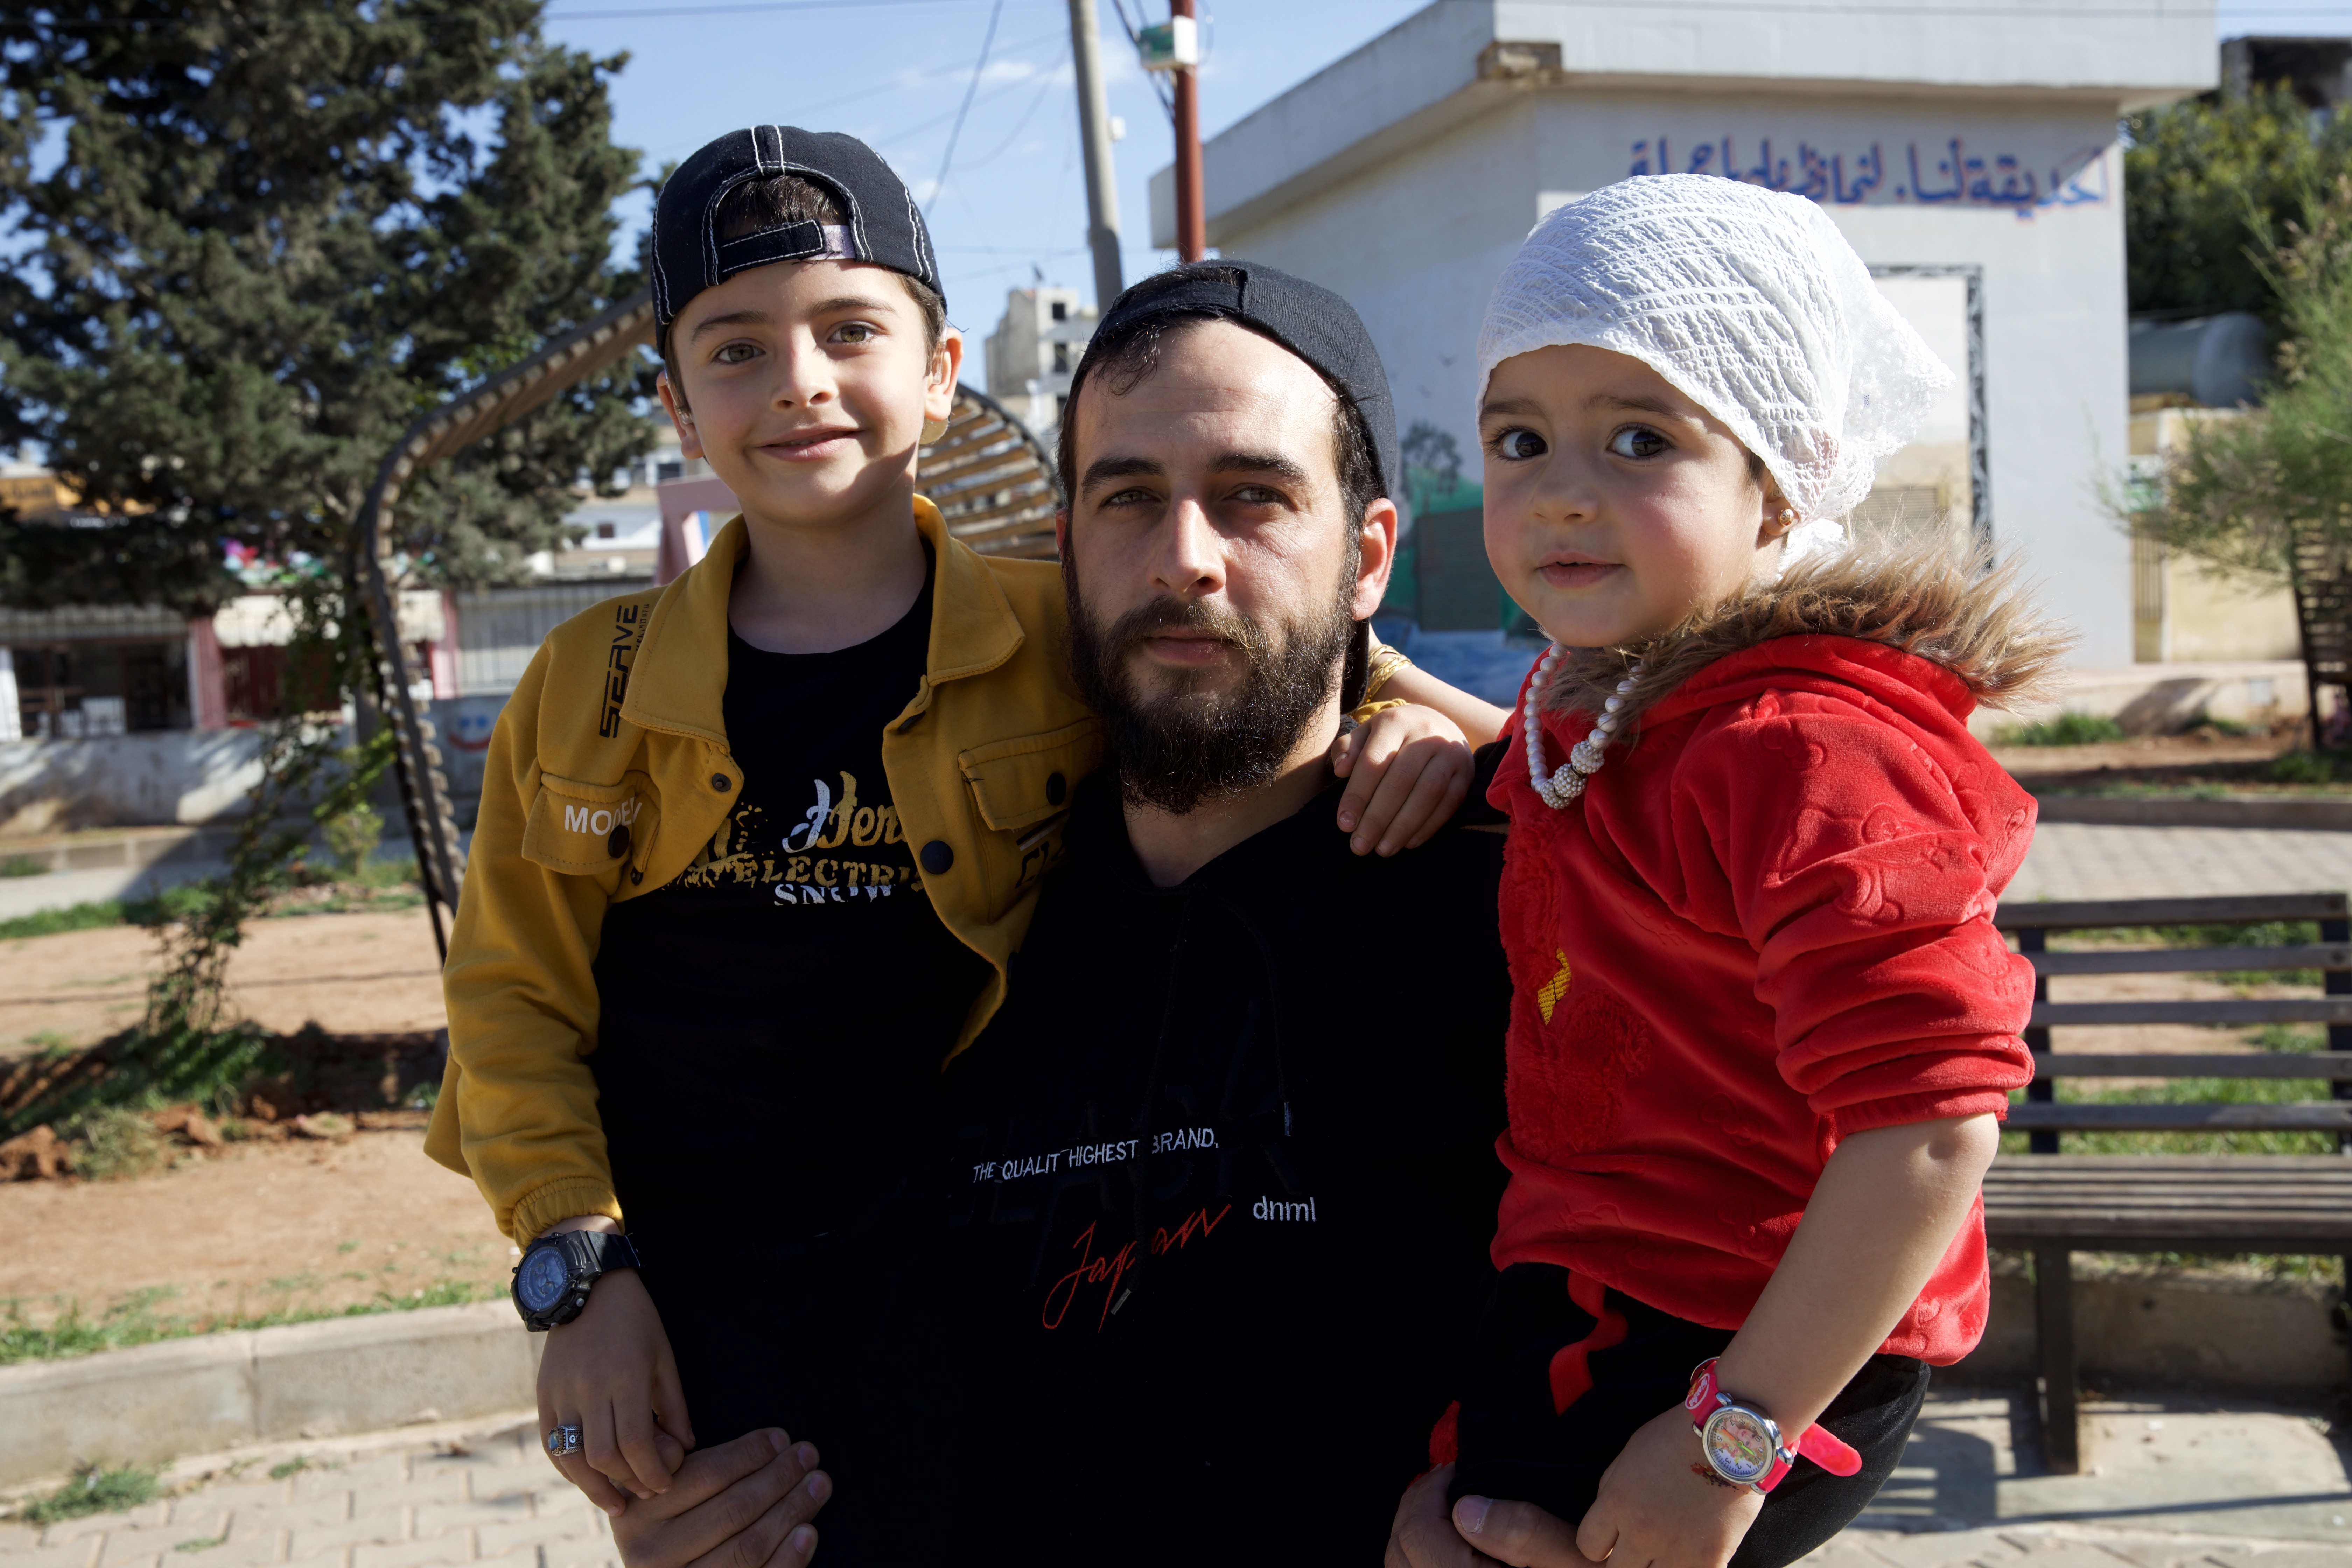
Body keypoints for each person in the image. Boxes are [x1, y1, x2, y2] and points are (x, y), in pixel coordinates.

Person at [425, 128, 1491, 1565]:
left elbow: (1243, 654)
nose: (800, 382)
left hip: (931, 1271)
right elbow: (511, 1002)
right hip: (712, 1293)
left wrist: (1411, 716)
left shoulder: (1050, 628)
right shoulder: (591, 687)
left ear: (940, 368)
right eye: (734, 349)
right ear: (675, 408)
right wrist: (580, 1276)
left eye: (850, 330)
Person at [1386, 175, 2067, 1568]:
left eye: (1642, 438)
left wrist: (1730, 1437)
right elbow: (1592, 808)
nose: (1563, 491)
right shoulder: (1608, 699)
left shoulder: (1808, 747)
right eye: (1519, 438)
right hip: (1606, 1279)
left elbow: (1931, 1127)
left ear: (1781, 479)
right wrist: (1417, 712)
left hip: (1736, 1324)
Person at [939, 260, 1518, 1566]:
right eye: (1128, 499)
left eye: (1253, 498)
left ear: (1369, 554)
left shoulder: (1508, 917)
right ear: (1066, 541)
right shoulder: (964, 910)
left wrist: (1542, 1490)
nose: (1184, 560)